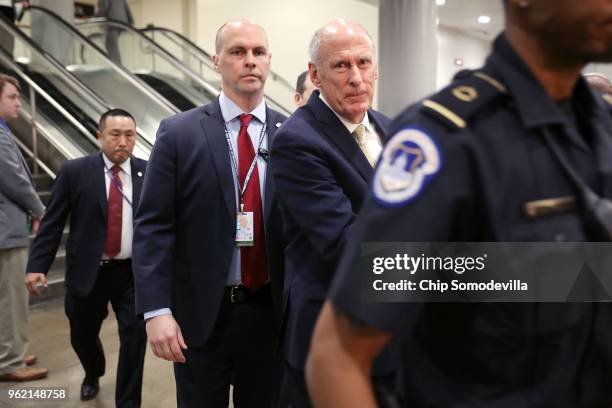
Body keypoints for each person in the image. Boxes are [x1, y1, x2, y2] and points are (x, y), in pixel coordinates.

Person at [307, 1, 612, 407]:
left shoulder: (600, 130)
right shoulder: (447, 142)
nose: (356, 78)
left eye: (364, 62)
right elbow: (338, 356)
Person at [132, 19, 286, 408]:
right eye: (237, 52)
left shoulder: (293, 134)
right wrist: (156, 310)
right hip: (200, 316)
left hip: (272, 314)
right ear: (217, 62)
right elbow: (153, 227)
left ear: (269, 61)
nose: (250, 61)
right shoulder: (179, 133)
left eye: (258, 52)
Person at [270, 19, 397, 407]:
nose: (357, 77)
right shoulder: (297, 140)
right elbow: (346, 245)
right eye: (342, 66)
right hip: (338, 343)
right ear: (316, 75)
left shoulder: (391, 129)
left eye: (363, 63)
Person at [25, 109, 147, 406]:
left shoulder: (149, 171)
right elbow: (52, 223)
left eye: (129, 135)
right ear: (99, 136)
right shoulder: (74, 171)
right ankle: (93, 371)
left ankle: (128, 402)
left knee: (135, 340)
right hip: (88, 272)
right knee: (82, 334)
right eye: (115, 135)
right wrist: (37, 266)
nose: (122, 142)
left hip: (132, 274)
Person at [0, 74, 47, 382]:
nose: (19, 102)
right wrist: (39, 209)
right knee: (10, 298)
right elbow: (13, 178)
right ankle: (10, 361)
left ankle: (11, 349)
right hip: (6, 229)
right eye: (12, 97)